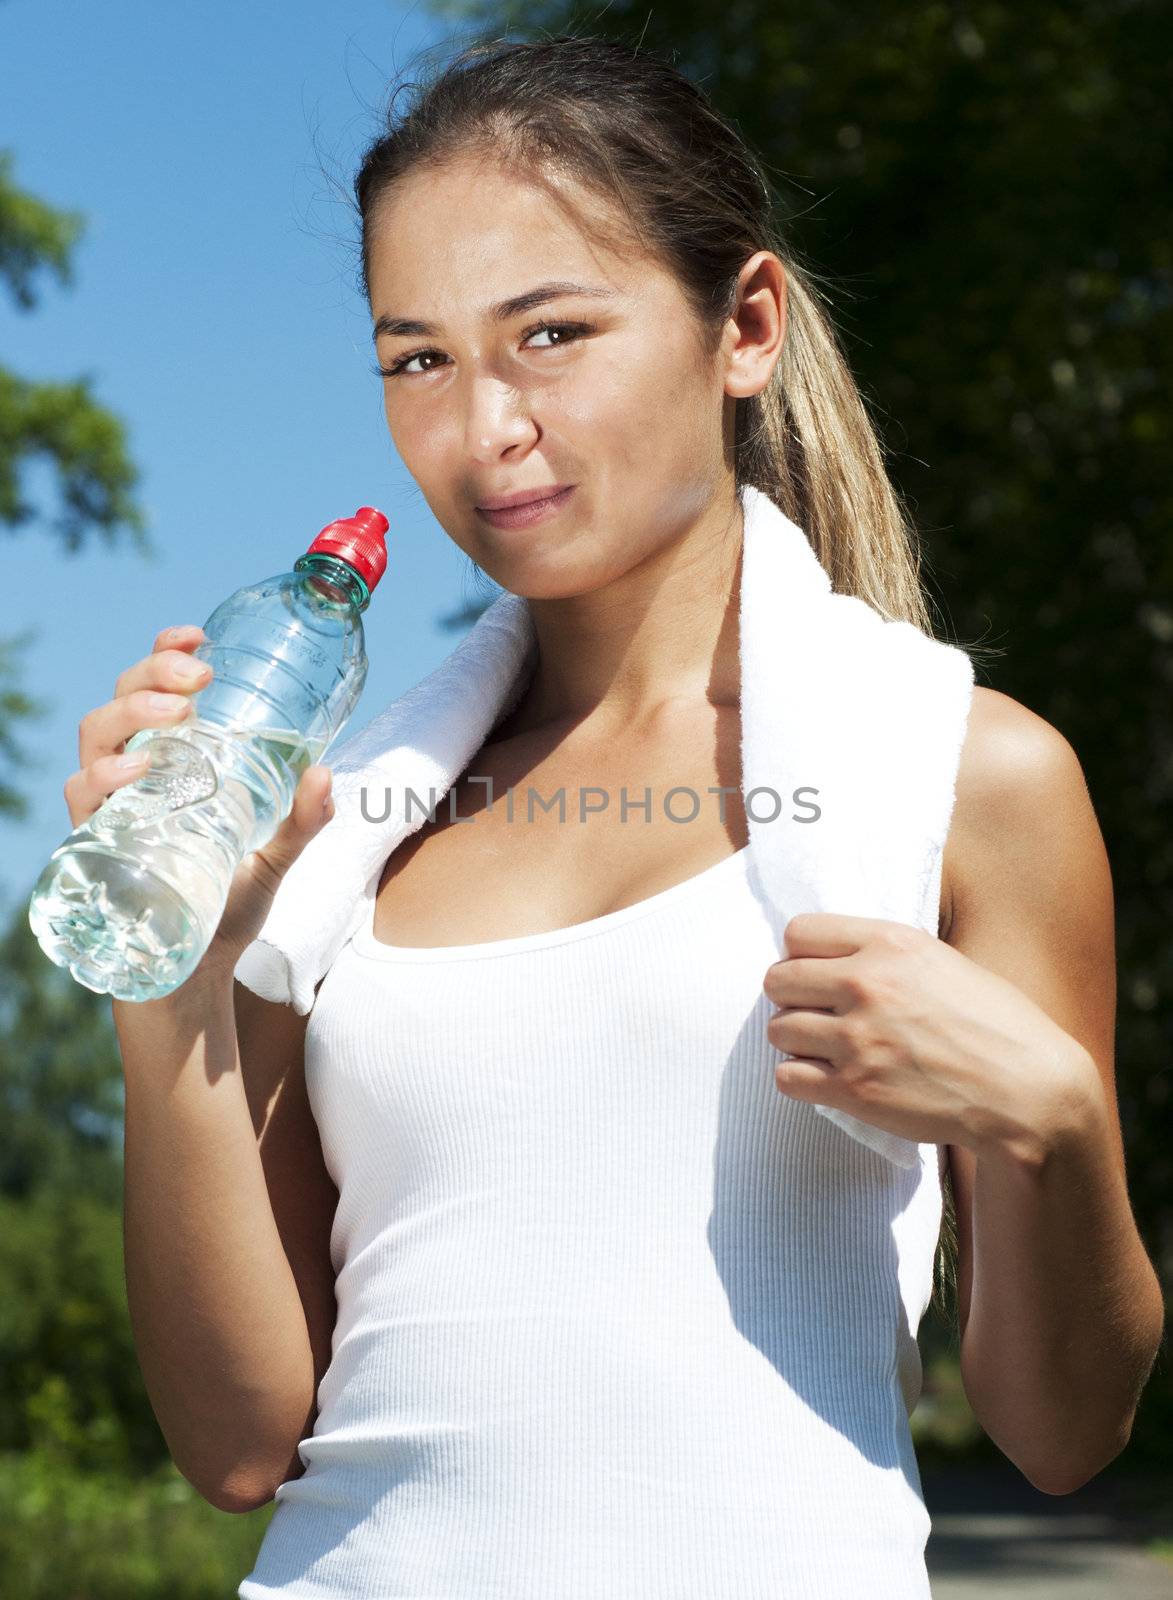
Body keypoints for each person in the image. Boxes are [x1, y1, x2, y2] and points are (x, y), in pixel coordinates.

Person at [85, 33, 1162, 1600]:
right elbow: (242, 1443)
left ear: (745, 326)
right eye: (418, 358)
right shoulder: (331, 835)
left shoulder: (959, 781)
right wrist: (171, 960)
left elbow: (1064, 1434)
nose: (483, 427)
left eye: (550, 335)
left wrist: (1053, 1127)